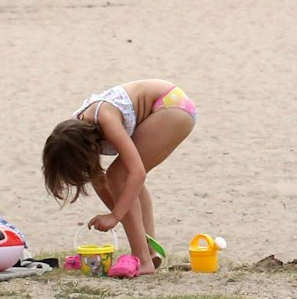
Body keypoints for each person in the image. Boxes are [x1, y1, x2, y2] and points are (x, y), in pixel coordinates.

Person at [42, 79, 197, 277]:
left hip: (171, 106)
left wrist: (116, 216)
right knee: (125, 184)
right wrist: (123, 216)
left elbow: (137, 173)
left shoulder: (105, 118)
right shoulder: (75, 134)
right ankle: (149, 251)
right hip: (168, 106)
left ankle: (142, 259)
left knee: (120, 175)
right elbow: (99, 180)